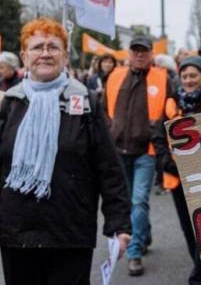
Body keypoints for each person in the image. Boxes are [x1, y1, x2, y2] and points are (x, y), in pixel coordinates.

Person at [0, 18, 131, 284]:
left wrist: (119, 224)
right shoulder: (10, 103)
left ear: (64, 54)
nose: (45, 53)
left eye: (53, 47)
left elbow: (108, 167)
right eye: (37, 47)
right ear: (24, 56)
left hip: (69, 230)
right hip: (17, 232)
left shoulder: (85, 102)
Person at [104, 35, 174, 276]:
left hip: (147, 151)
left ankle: (134, 252)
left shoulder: (163, 78)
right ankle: (144, 234)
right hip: (118, 151)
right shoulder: (114, 76)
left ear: (151, 54)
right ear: (129, 53)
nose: (139, 54)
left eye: (144, 51)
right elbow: (104, 110)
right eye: (135, 50)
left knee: (138, 201)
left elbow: (171, 112)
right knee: (129, 202)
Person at [153, 56, 201, 285]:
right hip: (176, 176)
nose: (189, 80)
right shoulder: (170, 102)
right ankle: (200, 261)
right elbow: (158, 137)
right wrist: (166, 163)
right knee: (187, 226)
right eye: (185, 76)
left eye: (193, 75)